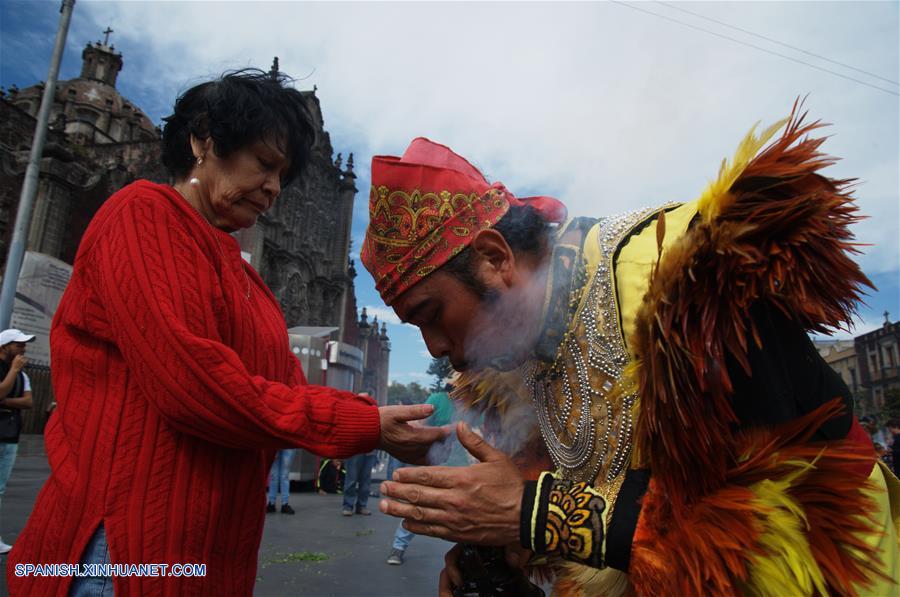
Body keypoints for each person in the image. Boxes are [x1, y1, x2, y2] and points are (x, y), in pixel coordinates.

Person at [364, 106, 900, 595]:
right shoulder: (515, 365)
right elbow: (591, 503)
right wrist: (497, 553)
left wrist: (538, 514)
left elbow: (763, 523)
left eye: (431, 315)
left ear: (493, 257)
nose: (438, 350)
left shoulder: (691, 282)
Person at [7, 69, 445, 596]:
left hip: (207, 556)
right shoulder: (142, 216)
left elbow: (287, 385)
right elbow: (194, 385)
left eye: (283, 175)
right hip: (122, 554)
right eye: (264, 164)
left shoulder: (244, 278)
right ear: (204, 141)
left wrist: (383, 422)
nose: (274, 188)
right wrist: (368, 427)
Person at [386, 386, 467, 565]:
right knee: (417, 506)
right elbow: (419, 427)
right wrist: (446, 429)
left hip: (464, 468)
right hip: (435, 464)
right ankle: (398, 548)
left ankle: (468, 556)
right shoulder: (437, 399)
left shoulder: (473, 405)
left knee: (467, 513)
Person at [0, 329, 34, 555]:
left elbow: (28, 402)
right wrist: (13, 370)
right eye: (18, 344)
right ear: (4, 347)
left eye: (24, 344)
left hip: (10, 436)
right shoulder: (16, 370)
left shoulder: (23, 375)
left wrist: (6, 401)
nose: (23, 348)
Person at [342, 450, 377, 516]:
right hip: (355, 448)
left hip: (370, 449)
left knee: (366, 480)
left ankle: (362, 505)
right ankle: (348, 506)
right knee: (351, 478)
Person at [266, 448, 297, 514]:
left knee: (280, 475)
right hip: (281, 443)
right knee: (277, 476)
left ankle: (278, 503)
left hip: (284, 443)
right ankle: (276, 504)